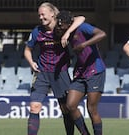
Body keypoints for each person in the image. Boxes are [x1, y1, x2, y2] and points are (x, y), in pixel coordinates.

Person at [24, 2, 85, 135]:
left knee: (66, 109)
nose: (41, 17)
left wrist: (67, 33)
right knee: (34, 107)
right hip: (42, 72)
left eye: (43, 14)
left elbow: (81, 18)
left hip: (60, 73)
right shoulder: (37, 31)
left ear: (52, 14)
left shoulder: (62, 26)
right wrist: (31, 62)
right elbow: (27, 50)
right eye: (39, 15)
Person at [55, 11, 106, 135]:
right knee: (70, 105)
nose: (59, 28)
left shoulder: (82, 27)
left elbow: (102, 34)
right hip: (80, 72)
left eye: (61, 25)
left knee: (91, 109)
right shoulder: (65, 33)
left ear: (67, 24)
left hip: (95, 70)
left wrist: (84, 44)